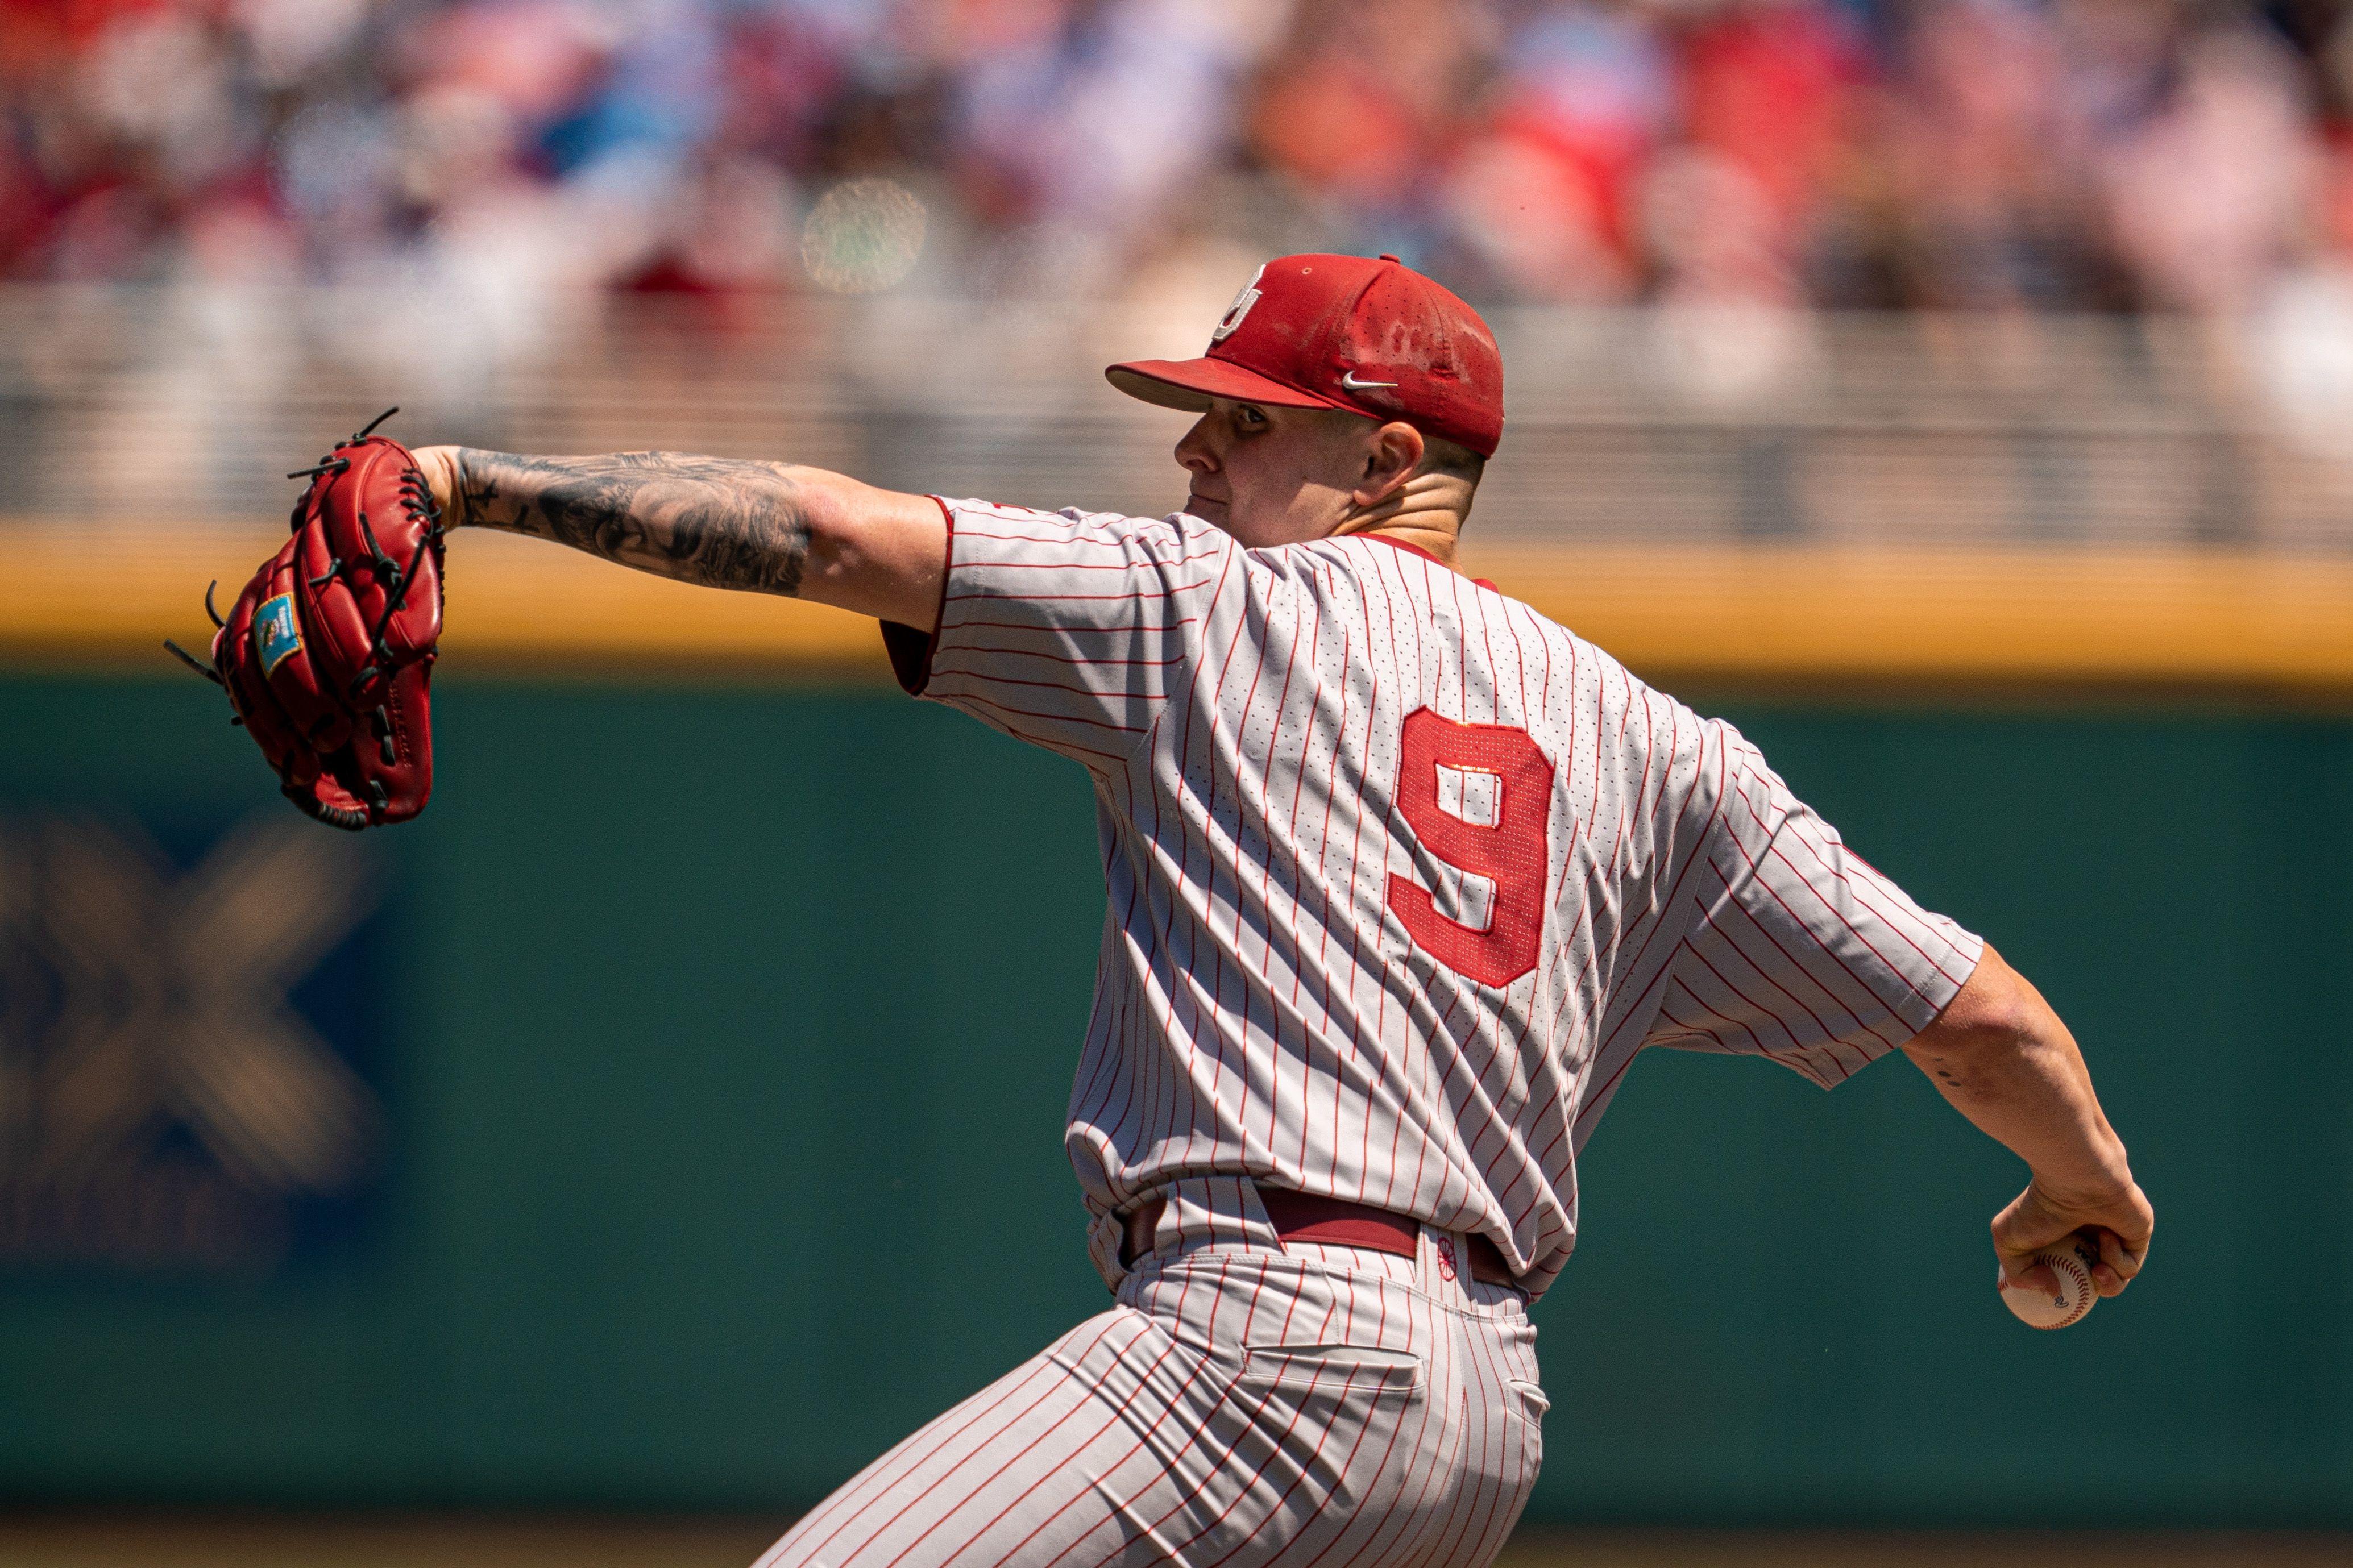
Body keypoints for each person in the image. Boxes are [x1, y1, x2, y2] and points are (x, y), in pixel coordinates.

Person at [410, 253, 2152, 1568]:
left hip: (1258, 1346)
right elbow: (1986, 1020)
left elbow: (829, 532)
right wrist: (2079, 1184)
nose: (1188, 447)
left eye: (1241, 416)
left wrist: (466, 487)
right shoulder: (1663, 754)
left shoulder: (1211, 609)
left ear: (1385, 452)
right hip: (1480, 1423)